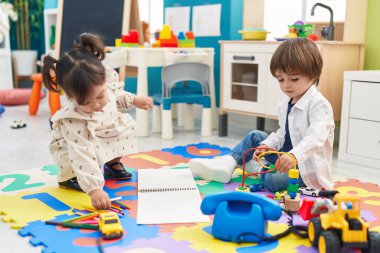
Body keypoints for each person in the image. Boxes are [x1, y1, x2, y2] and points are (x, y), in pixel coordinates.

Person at [190, 38, 334, 192]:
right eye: (280, 79)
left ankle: (255, 165)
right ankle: (227, 164)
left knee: (274, 181)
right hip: (283, 157)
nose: (286, 85)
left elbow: (315, 139)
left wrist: (294, 156)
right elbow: (283, 134)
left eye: (294, 79)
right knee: (255, 136)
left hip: (304, 168)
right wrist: (268, 145)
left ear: (313, 76)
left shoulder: (319, 105)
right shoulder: (286, 103)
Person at [42, 33, 153, 210]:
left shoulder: (104, 84)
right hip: (73, 153)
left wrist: (134, 100)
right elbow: (81, 154)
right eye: (85, 101)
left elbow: (117, 95)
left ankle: (111, 162)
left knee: (124, 127)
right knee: (79, 158)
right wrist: (94, 189)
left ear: (104, 80)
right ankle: (69, 178)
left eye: (100, 95)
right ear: (72, 98)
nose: (96, 104)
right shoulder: (74, 118)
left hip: (101, 132)